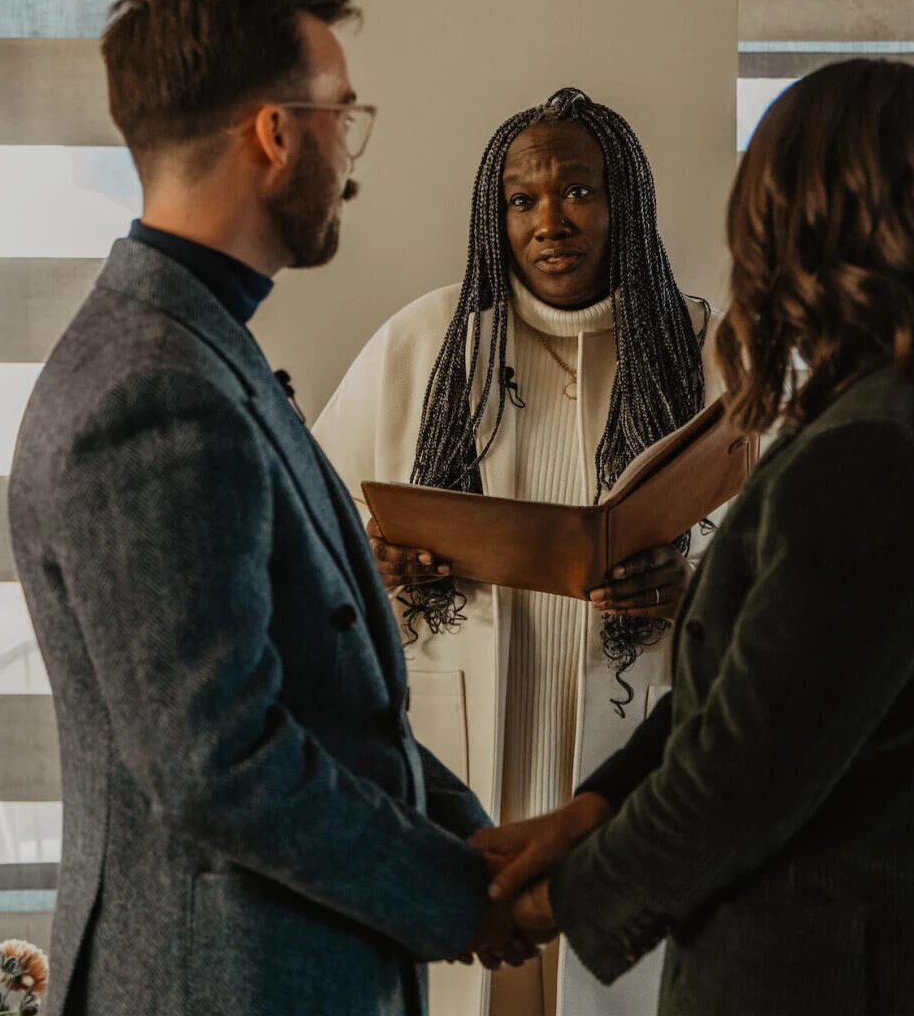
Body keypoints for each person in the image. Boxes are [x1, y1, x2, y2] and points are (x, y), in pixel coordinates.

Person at [477, 59, 914, 1016]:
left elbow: (744, 769)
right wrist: (586, 814)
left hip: (842, 970)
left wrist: (549, 903)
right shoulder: (899, 418)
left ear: (806, 216)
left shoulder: (880, 452)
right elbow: (755, 692)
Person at [7, 0, 519, 1016]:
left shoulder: (192, 350)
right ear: (275, 133)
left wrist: (475, 839)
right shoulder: (156, 391)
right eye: (344, 115)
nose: (351, 158)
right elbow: (222, 761)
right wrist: (457, 894)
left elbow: (321, 694)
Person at [311, 86, 725, 1016]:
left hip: (628, 747)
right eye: (521, 199)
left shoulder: (699, 345)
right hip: (462, 749)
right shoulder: (426, 342)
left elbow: (779, 558)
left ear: (625, 203)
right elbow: (309, 525)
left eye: (577, 192)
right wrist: (374, 566)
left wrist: (687, 580)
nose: (549, 221)